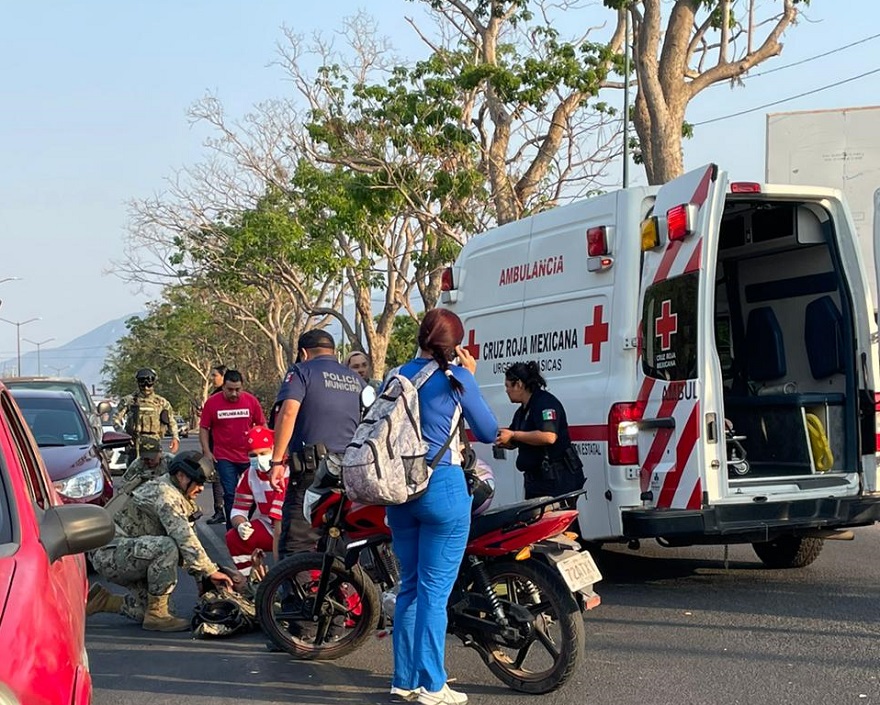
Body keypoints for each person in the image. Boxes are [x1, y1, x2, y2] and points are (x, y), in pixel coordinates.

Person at [385, 309, 498, 705]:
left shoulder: (396, 375)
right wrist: (471, 374)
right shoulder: (456, 378)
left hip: (399, 493)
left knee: (410, 588)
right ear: (455, 345)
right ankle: (433, 686)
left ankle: (404, 680)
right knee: (434, 593)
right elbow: (486, 431)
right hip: (442, 490)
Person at [86, 451, 234, 632]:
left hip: (130, 551)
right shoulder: (165, 495)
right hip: (110, 553)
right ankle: (157, 616)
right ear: (181, 476)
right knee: (167, 547)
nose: (202, 488)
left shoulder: (180, 496)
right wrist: (211, 572)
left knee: (149, 610)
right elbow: (184, 538)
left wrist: (202, 578)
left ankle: (104, 601)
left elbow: (191, 541)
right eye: (198, 482)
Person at [269, 329, 364, 557]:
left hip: (314, 471)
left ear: (303, 353)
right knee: (340, 542)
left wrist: (276, 461)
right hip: (351, 471)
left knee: (296, 543)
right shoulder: (355, 378)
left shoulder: (301, 372)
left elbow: (288, 412)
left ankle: (298, 593)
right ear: (333, 352)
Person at [495, 361, 585, 506]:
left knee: (558, 526)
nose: (506, 391)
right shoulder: (522, 411)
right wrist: (504, 440)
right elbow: (516, 437)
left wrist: (513, 435)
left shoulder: (545, 403)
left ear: (519, 384)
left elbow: (549, 436)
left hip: (556, 481)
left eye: (507, 386)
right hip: (537, 482)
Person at [199, 369, 266, 528]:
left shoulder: (251, 401)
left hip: (249, 457)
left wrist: (264, 450)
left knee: (253, 494)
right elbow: (204, 428)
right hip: (224, 457)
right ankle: (233, 528)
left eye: (238, 389)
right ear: (223, 387)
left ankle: (243, 521)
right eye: (230, 389)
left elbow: (262, 425)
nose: (234, 393)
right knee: (230, 494)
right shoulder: (212, 403)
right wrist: (207, 451)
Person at [225, 425, 288, 575]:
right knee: (234, 537)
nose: (258, 459)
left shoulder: (288, 471)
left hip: (293, 529)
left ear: (274, 449)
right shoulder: (249, 475)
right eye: (253, 455)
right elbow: (238, 510)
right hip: (268, 526)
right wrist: (241, 525)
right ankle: (249, 580)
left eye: (263, 453)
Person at [113, 368, 179, 464]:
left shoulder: (161, 402)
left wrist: (175, 438)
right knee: (133, 473)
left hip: (154, 443)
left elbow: (171, 422)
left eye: (149, 384)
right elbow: (115, 419)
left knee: (156, 473)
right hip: (134, 444)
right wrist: (123, 435)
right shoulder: (129, 401)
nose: (146, 388)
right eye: (143, 384)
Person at [104, 437, 172, 521]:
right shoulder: (137, 464)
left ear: (160, 453)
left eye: (152, 458)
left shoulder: (171, 461)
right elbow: (124, 485)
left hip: (168, 496)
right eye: (146, 459)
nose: (149, 462)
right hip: (145, 499)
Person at [206, 364, 229, 524]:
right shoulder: (214, 397)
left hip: (233, 447)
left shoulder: (236, 396)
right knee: (217, 480)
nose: (212, 378)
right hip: (217, 447)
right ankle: (219, 510)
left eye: (215, 375)